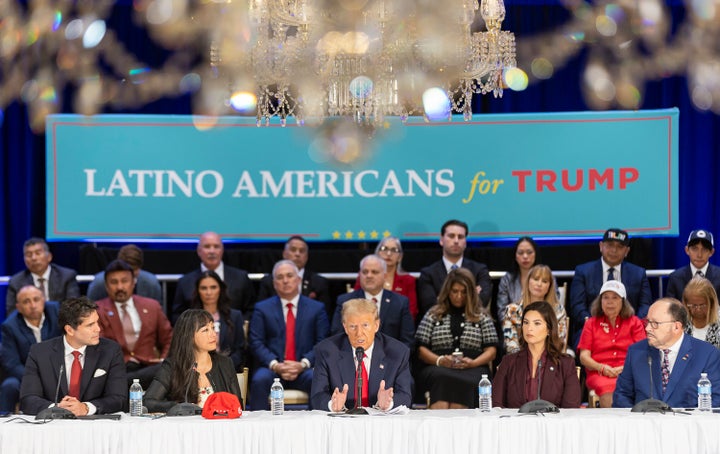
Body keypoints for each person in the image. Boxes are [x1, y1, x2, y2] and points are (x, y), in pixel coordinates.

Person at [19, 297, 127, 416]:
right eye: (90, 325)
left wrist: (86, 408)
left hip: (95, 427)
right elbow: (27, 399)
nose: (98, 329)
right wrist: (57, 408)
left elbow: (119, 398)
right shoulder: (39, 353)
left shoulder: (110, 351)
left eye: (97, 322)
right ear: (70, 330)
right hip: (53, 427)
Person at [248, 260, 329, 410]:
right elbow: (256, 342)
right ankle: (258, 428)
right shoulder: (262, 308)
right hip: (272, 368)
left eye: (289, 276)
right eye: (280, 277)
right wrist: (275, 365)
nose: (285, 280)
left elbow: (322, 342)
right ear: (274, 283)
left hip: (305, 368)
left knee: (317, 379)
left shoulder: (317, 308)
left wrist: (303, 364)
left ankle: (317, 428)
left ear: (298, 279)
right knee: (259, 380)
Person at [613, 298, 720, 408]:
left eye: (655, 323)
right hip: (645, 422)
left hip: (687, 423)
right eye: (647, 322)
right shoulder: (636, 352)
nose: (648, 328)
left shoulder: (707, 354)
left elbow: (716, 400)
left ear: (676, 327)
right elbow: (622, 395)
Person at [415, 268, 498, 409]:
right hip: (438, 367)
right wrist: (440, 361)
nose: (459, 296)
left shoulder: (481, 316)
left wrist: (473, 363)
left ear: (471, 293)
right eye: (455, 291)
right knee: (441, 377)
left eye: (464, 292)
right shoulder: (433, 314)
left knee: (469, 381)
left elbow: (492, 350)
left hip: (474, 368)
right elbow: (420, 348)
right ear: (447, 291)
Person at [311, 298, 412, 411]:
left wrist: (389, 403)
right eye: (353, 326)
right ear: (345, 327)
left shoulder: (397, 352)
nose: (359, 333)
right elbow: (317, 395)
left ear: (376, 325)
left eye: (365, 325)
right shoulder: (327, 351)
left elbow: (405, 395)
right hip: (342, 422)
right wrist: (332, 404)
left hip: (381, 423)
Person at [144, 309, 243, 412]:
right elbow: (147, 402)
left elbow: (238, 405)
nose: (213, 334)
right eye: (205, 330)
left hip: (220, 425)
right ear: (189, 336)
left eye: (213, 328)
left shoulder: (225, 363)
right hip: (185, 426)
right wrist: (177, 406)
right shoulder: (172, 366)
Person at [95, 260, 173, 389]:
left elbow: (169, 338)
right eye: (114, 282)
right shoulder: (97, 310)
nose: (120, 287)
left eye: (124, 281)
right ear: (106, 286)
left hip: (149, 367)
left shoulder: (152, 306)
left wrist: (163, 359)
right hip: (117, 369)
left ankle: (124, 384)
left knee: (165, 368)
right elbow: (98, 346)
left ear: (133, 282)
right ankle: (124, 383)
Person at [569, 228, 652, 348]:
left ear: (627, 251)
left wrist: (633, 325)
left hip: (628, 329)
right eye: (610, 245)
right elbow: (577, 306)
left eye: (619, 247)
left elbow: (645, 305)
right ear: (601, 246)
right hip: (592, 328)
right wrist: (593, 325)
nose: (614, 250)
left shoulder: (638, 274)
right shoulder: (583, 271)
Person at [492, 301, 581, 409]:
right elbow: (496, 405)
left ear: (549, 329)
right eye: (526, 322)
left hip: (552, 425)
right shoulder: (508, 362)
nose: (529, 328)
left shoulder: (565, 364)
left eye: (537, 323)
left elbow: (571, 410)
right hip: (515, 425)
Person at [577, 280, 645, 407]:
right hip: (599, 373)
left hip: (628, 372)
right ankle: (612, 425)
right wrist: (602, 368)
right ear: (600, 301)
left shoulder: (634, 322)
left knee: (640, 385)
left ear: (623, 302)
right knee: (608, 387)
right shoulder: (591, 323)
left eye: (615, 297)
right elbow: (584, 357)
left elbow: (641, 354)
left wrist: (624, 369)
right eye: (605, 297)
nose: (610, 302)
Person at [332, 255, 414, 350]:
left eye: (374, 272)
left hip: (391, 360)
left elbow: (408, 342)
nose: (369, 276)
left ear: (385, 276)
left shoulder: (400, 302)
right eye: (365, 272)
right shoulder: (345, 302)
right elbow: (337, 339)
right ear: (359, 275)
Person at [417, 219, 493, 323]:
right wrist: (471, 296)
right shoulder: (428, 273)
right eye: (451, 236)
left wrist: (442, 298)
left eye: (460, 237)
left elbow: (482, 301)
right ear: (441, 240)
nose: (456, 240)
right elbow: (430, 305)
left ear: (465, 242)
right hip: (439, 328)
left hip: (473, 326)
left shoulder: (480, 270)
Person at [0, 286, 62, 412]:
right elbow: (11, 363)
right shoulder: (10, 326)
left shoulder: (57, 312)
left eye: (36, 299)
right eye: (26, 302)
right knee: (9, 386)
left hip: (58, 371)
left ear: (43, 300)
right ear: (18, 307)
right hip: (25, 374)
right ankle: (3, 424)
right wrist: (35, 378)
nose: (33, 305)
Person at [172, 231, 256, 322]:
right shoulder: (185, 282)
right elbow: (178, 316)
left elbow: (251, 310)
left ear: (222, 250)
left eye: (216, 247)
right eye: (207, 247)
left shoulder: (241, 278)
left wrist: (235, 328)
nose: (212, 251)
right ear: (199, 251)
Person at [257, 235, 332, 317]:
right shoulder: (269, 281)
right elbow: (261, 313)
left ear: (307, 256)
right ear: (284, 254)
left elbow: (324, 315)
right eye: (293, 250)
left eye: (302, 251)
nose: (297, 254)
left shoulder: (318, 282)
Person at [502, 264, 568, 354]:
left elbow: (559, 341)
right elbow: (511, 344)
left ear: (549, 286)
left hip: (549, 358)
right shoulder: (512, 310)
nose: (539, 284)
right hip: (519, 360)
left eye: (544, 281)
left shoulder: (558, 310)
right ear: (528, 281)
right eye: (536, 279)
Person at [5, 237, 80, 316]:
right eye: (29, 255)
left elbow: (73, 308)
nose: (34, 258)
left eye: (38, 253)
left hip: (59, 324)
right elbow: (11, 314)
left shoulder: (66, 276)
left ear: (49, 257)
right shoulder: (16, 282)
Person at [190, 270, 246, 371]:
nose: (208, 292)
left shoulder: (235, 316)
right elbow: (185, 350)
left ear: (220, 289)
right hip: (197, 371)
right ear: (198, 291)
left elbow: (240, 351)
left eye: (213, 287)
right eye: (203, 288)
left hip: (227, 370)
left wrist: (224, 366)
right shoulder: (190, 318)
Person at [352, 236, 418, 321]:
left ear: (400, 257)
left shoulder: (408, 280)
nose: (389, 253)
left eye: (394, 250)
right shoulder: (365, 276)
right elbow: (354, 303)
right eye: (384, 249)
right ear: (377, 252)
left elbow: (411, 311)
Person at [86, 244, 162, 303]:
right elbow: (88, 313)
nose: (130, 275)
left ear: (140, 268)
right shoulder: (99, 283)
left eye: (133, 271)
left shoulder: (151, 283)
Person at [667, 230, 720, 300]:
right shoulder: (675, 278)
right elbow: (671, 308)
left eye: (704, 249)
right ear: (687, 250)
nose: (699, 255)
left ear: (711, 252)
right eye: (695, 249)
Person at [681, 276, 720, 349]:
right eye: (693, 305)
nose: (698, 309)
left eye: (702, 305)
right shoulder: (680, 321)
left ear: (711, 303)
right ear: (686, 304)